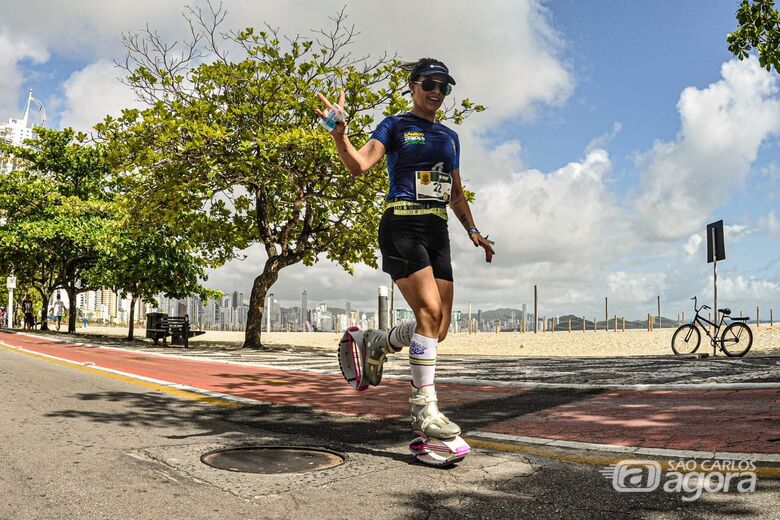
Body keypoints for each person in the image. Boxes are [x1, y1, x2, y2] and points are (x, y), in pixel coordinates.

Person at [320, 58, 495, 465]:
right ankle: (424, 410)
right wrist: (339, 134)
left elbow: (455, 193)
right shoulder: (395, 125)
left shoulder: (451, 137)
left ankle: (379, 341)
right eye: (430, 84)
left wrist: (473, 231)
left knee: (438, 329)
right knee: (430, 312)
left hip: (437, 231)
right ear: (413, 86)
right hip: (401, 224)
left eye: (444, 87)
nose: (437, 92)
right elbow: (359, 164)